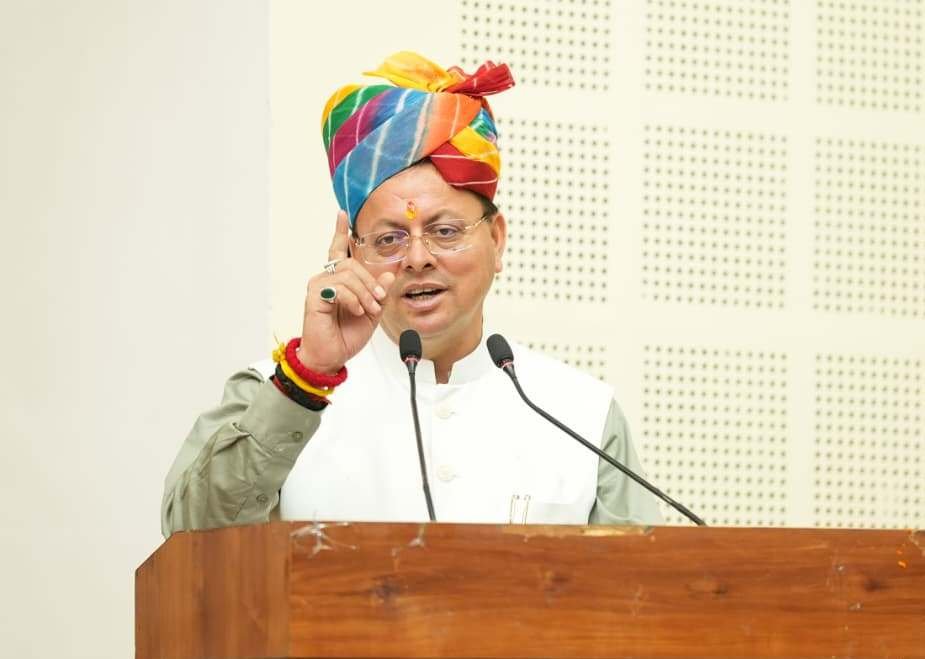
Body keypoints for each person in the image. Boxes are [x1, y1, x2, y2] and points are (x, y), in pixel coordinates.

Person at [161, 52, 662, 537]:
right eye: (389, 239)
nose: (417, 258)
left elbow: (644, 586)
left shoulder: (582, 414)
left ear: (496, 239)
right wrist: (309, 373)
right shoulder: (275, 393)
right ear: (351, 253)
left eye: (445, 231)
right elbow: (188, 539)